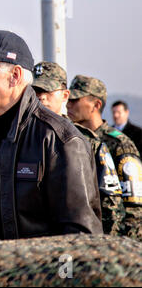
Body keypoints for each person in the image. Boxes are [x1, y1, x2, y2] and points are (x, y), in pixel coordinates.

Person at [0, 30, 103, 241]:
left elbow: (80, 236)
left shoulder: (60, 139)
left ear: (15, 76)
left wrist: (61, 275)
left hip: (39, 273)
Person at [33, 63, 125, 235]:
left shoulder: (87, 141)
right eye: (36, 91)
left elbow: (110, 206)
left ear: (64, 96)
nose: (41, 97)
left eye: (47, 91)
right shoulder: (22, 138)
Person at [67, 75, 141, 240]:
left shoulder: (120, 144)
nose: (68, 104)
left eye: (75, 100)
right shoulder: (77, 140)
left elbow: (134, 207)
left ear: (96, 105)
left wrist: (122, 246)